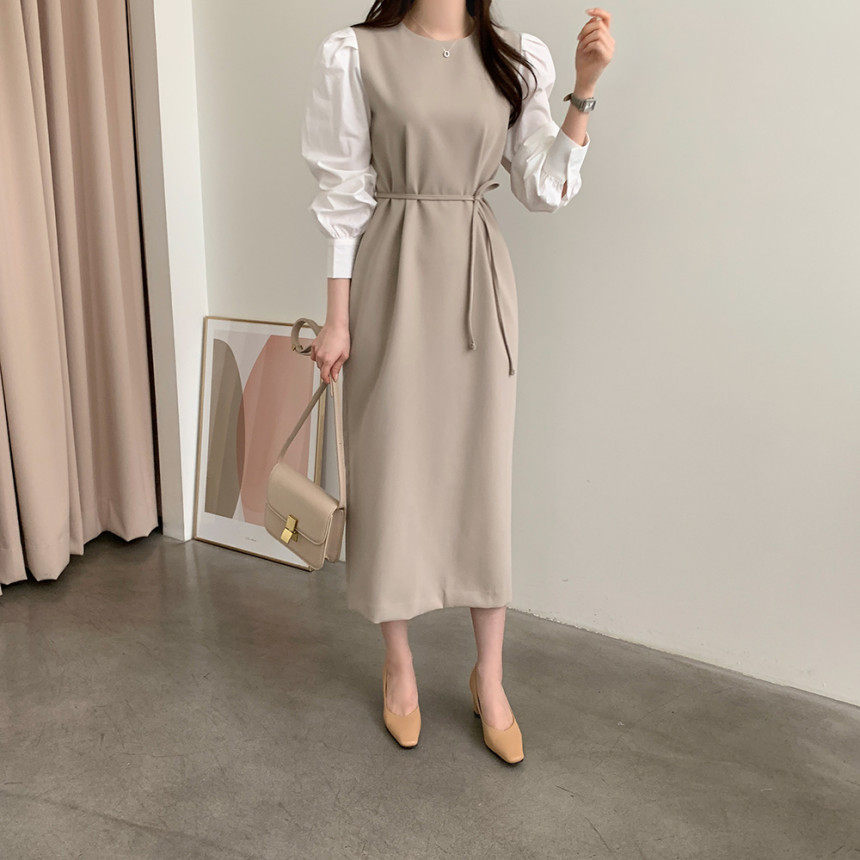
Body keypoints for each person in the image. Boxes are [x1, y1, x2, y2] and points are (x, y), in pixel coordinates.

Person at [300, 0, 614, 763]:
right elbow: (344, 196)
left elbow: (542, 187)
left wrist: (583, 89)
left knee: (480, 478)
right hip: (392, 277)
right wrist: (337, 319)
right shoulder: (355, 54)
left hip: (477, 280)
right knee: (390, 472)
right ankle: (399, 667)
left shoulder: (515, 58)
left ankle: (490, 678)